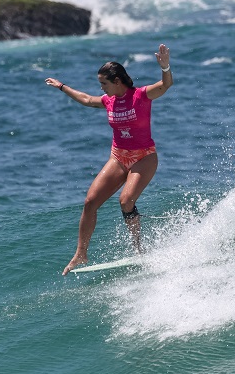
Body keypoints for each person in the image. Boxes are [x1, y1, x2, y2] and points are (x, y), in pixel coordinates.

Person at [45, 44, 173, 275]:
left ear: (117, 81)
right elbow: (85, 99)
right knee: (90, 202)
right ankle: (80, 254)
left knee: (125, 201)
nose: (101, 88)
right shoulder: (108, 101)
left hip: (144, 157)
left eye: (104, 83)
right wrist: (62, 86)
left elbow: (165, 85)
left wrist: (165, 67)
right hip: (118, 156)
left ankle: (138, 248)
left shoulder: (141, 96)